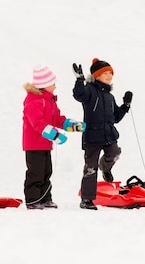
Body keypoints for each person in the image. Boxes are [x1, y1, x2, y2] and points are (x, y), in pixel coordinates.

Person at [72, 58, 132, 210]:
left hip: (109, 135)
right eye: (105, 73)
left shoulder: (109, 96)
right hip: (92, 136)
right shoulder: (90, 91)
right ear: (96, 75)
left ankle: (105, 168)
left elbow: (116, 117)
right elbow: (79, 95)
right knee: (90, 168)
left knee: (115, 152)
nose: (109, 76)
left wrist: (125, 106)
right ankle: (86, 199)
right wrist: (80, 80)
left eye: (110, 73)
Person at [22, 65, 85, 210]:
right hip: (34, 144)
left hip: (45, 144)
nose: (55, 86)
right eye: (53, 83)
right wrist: (55, 135)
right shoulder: (33, 100)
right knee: (35, 172)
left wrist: (73, 125)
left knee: (46, 172)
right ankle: (32, 200)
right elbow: (37, 123)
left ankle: (45, 198)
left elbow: (57, 119)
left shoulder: (49, 101)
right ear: (44, 85)